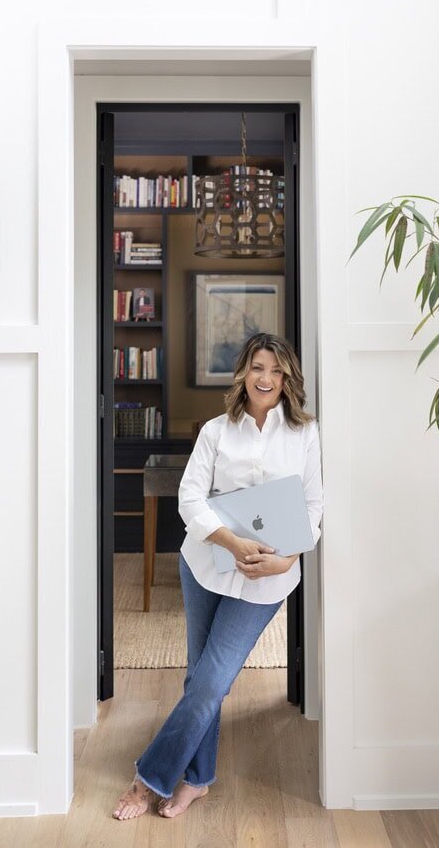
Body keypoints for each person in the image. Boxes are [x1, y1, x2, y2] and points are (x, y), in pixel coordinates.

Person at [112, 332, 324, 821]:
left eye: (275, 369)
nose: (265, 378)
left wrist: (288, 559)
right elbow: (189, 498)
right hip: (205, 566)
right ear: (243, 374)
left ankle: (149, 779)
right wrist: (230, 541)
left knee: (211, 680)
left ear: (288, 377)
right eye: (257, 367)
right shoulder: (216, 431)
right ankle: (198, 780)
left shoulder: (305, 434)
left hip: (268, 579)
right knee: (199, 675)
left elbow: (313, 507)